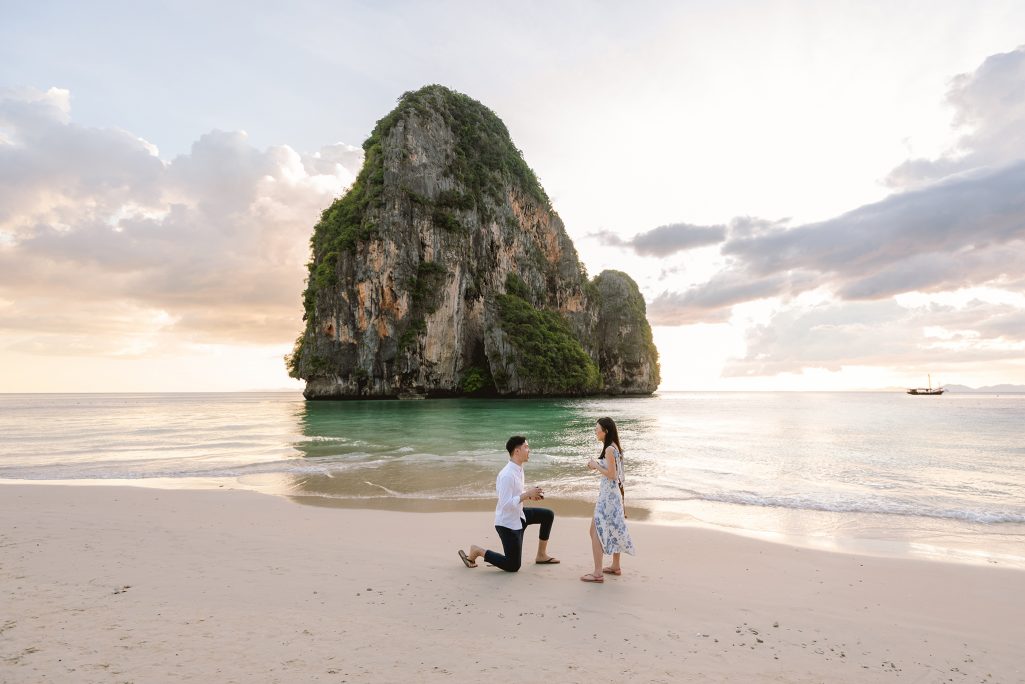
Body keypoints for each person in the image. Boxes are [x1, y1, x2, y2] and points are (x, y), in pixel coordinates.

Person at [458, 435, 560, 571]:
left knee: (548, 515)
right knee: (513, 566)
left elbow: (516, 495)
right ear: (517, 451)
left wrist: (529, 497)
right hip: (507, 524)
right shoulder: (507, 475)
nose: (529, 450)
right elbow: (505, 505)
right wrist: (527, 494)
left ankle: (541, 555)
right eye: (526, 447)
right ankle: (477, 551)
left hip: (519, 515)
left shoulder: (518, 469)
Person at [581, 416, 635, 582]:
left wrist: (596, 465)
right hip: (613, 496)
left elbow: (612, 475)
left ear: (606, 431)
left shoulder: (610, 450)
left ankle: (597, 573)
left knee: (595, 530)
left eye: (597, 429)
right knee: (614, 528)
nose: (595, 432)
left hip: (608, 497)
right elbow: (618, 477)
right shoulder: (615, 447)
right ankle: (615, 566)